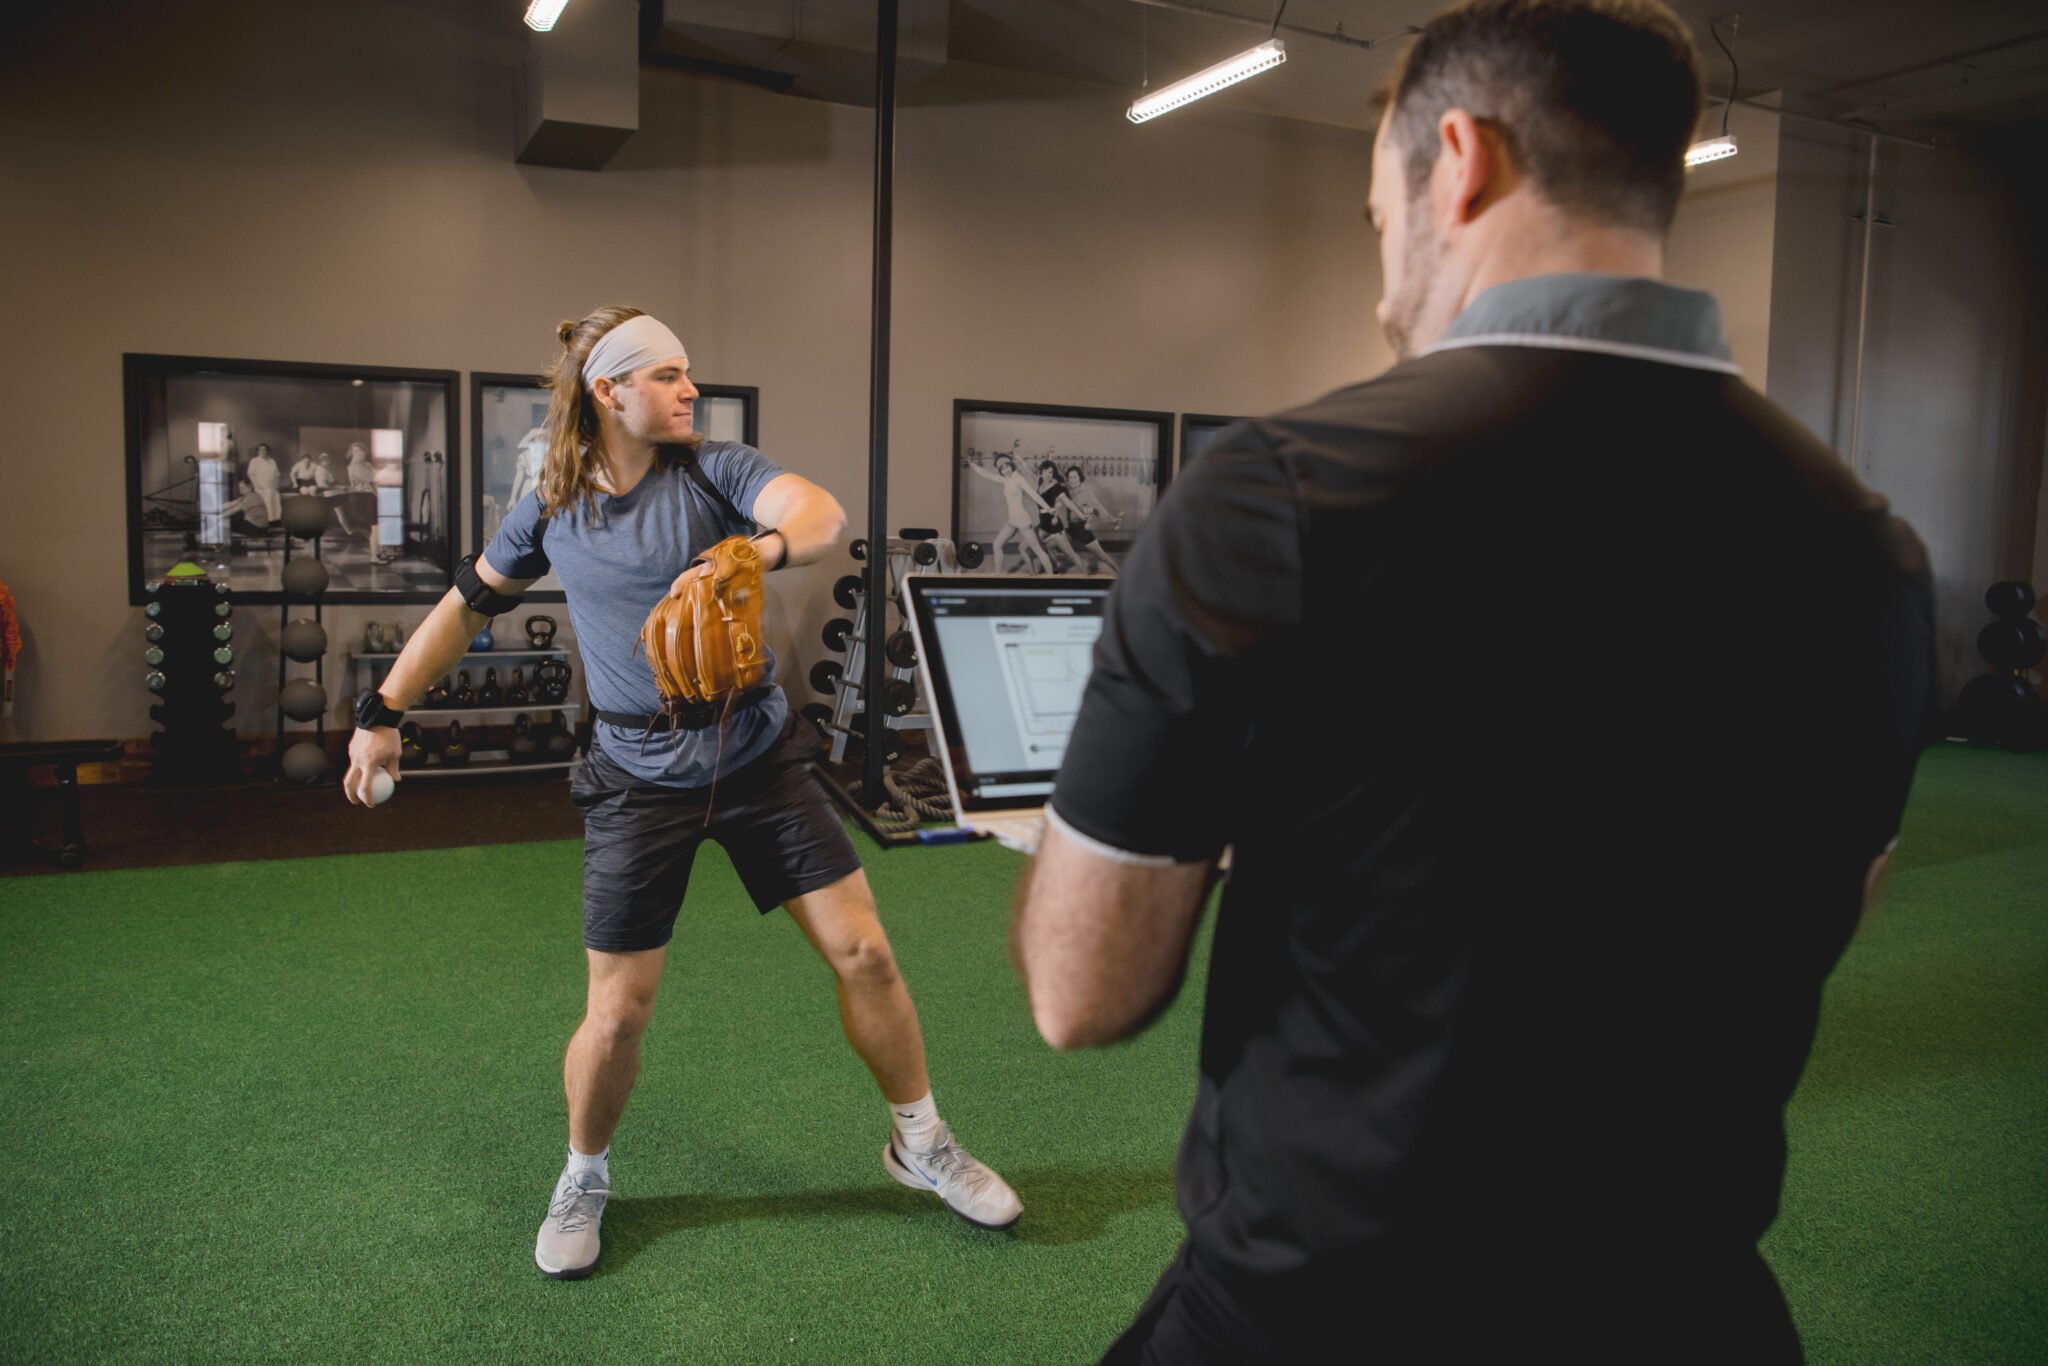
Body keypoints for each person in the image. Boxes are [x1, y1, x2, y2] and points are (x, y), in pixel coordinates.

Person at [1009, 1, 1937, 1360]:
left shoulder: (1273, 492)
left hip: (1328, 1312)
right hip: (1686, 1310)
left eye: (1380, 215)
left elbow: (1078, 995)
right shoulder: (1870, 548)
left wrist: (1116, 833)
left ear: (1460, 159)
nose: (1385, 279)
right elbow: (1821, 907)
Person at [343, 306, 1022, 1282]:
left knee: (865, 951)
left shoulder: (716, 468)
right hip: (632, 777)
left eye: (688, 373)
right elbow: (464, 608)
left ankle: (919, 1140)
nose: (689, 389)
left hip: (755, 758)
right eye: (666, 374)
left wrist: (758, 549)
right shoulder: (550, 499)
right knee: (617, 1014)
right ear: (608, 393)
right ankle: (584, 1173)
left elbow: (818, 512)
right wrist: (382, 709)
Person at [960, 446, 1056, 572]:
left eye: (1007, 466)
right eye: (1002, 468)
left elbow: (1034, 494)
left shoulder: (1018, 479)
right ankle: (999, 576)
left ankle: (1052, 578)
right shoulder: (1005, 480)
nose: (1005, 470)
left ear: (1011, 465)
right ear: (1000, 471)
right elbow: (987, 474)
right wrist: (972, 464)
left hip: (1023, 520)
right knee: (996, 545)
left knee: (1038, 550)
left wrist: (1048, 508)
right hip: (1013, 520)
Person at [1054, 465, 1119, 576]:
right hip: (1071, 528)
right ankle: (1057, 568)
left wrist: (1112, 519)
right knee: (1051, 544)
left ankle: (1121, 574)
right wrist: (1050, 458)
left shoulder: (1086, 493)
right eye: (1070, 477)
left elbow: (1098, 508)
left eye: (1075, 477)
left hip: (1082, 529)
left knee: (1103, 556)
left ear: (1080, 478)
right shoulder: (1069, 490)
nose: (1072, 480)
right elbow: (1058, 476)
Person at [246, 443, 282, 523]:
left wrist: (277, 484)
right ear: (258, 451)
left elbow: (277, 474)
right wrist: (257, 485)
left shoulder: (272, 461)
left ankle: (274, 521)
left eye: (264, 450)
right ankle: (267, 521)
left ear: (267, 451)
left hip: (273, 486)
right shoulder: (254, 460)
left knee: (275, 503)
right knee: (267, 503)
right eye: (260, 450)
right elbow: (251, 474)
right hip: (261, 487)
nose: (262, 451)